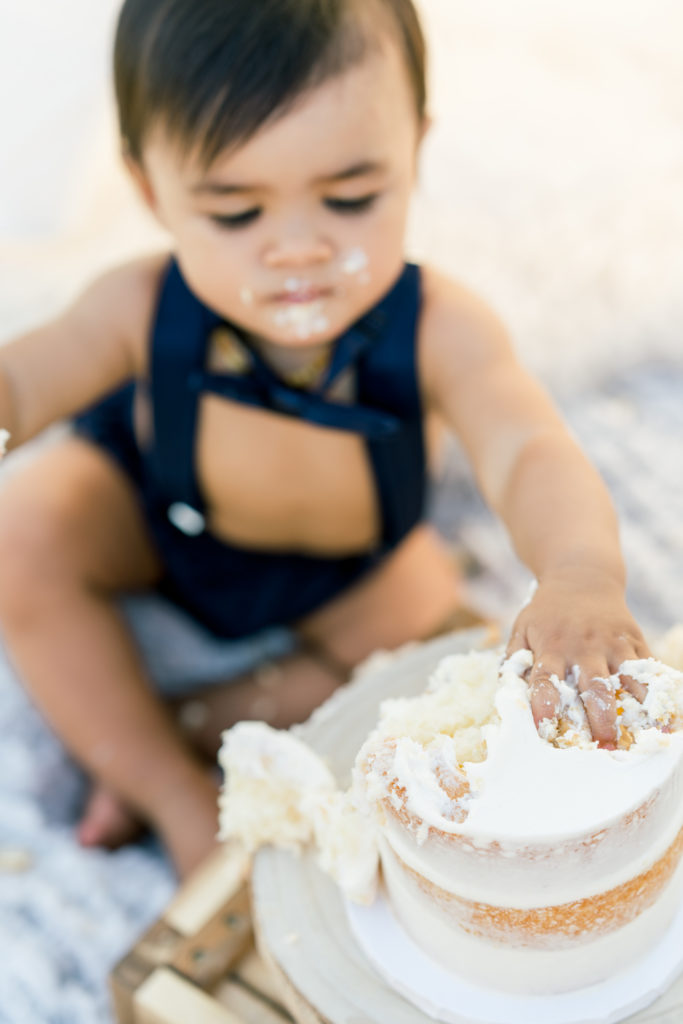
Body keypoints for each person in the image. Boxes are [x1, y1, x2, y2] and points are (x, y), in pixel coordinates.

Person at [0, 0, 649, 878]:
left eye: (350, 198)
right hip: (162, 520)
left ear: (413, 153)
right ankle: (172, 794)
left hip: (346, 572)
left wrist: (578, 571)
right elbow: (27, 381)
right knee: (25, 525)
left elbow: (527, 448)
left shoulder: (440, 331)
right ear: (152, 191)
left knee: (444, 657)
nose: (297, 248)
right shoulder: (137, 307)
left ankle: (189, 721)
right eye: (235, 213)